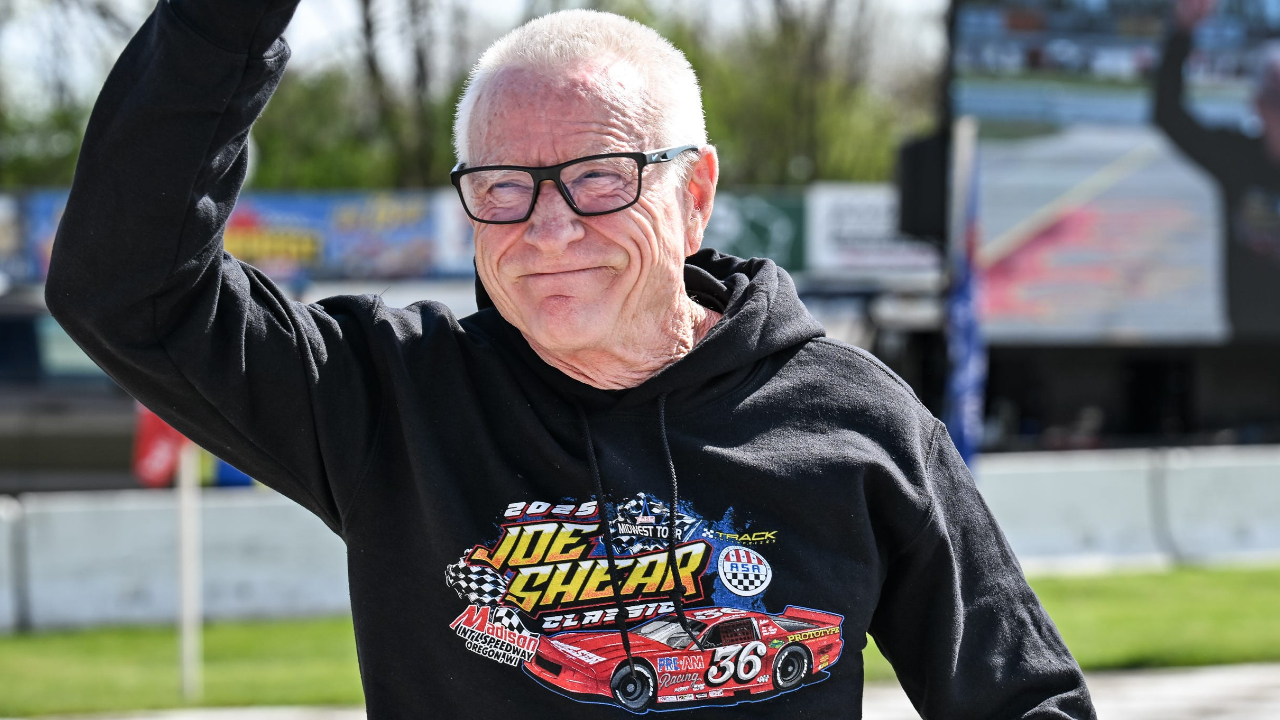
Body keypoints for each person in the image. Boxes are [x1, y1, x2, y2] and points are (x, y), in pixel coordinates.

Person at [46, 1, 1095, 718]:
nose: (546, 229)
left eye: (598, 176)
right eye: (501, 185)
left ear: (692, 195)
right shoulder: (386, 397)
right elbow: (124, 286)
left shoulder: (852, 418)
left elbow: (1020, 698)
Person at [1155, 0, 1280, 338]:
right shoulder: (1237, 158)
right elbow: (1169, 115)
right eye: (1276, 100)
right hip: (1248, 335)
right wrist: (1182, 33)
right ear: (1257, 105)